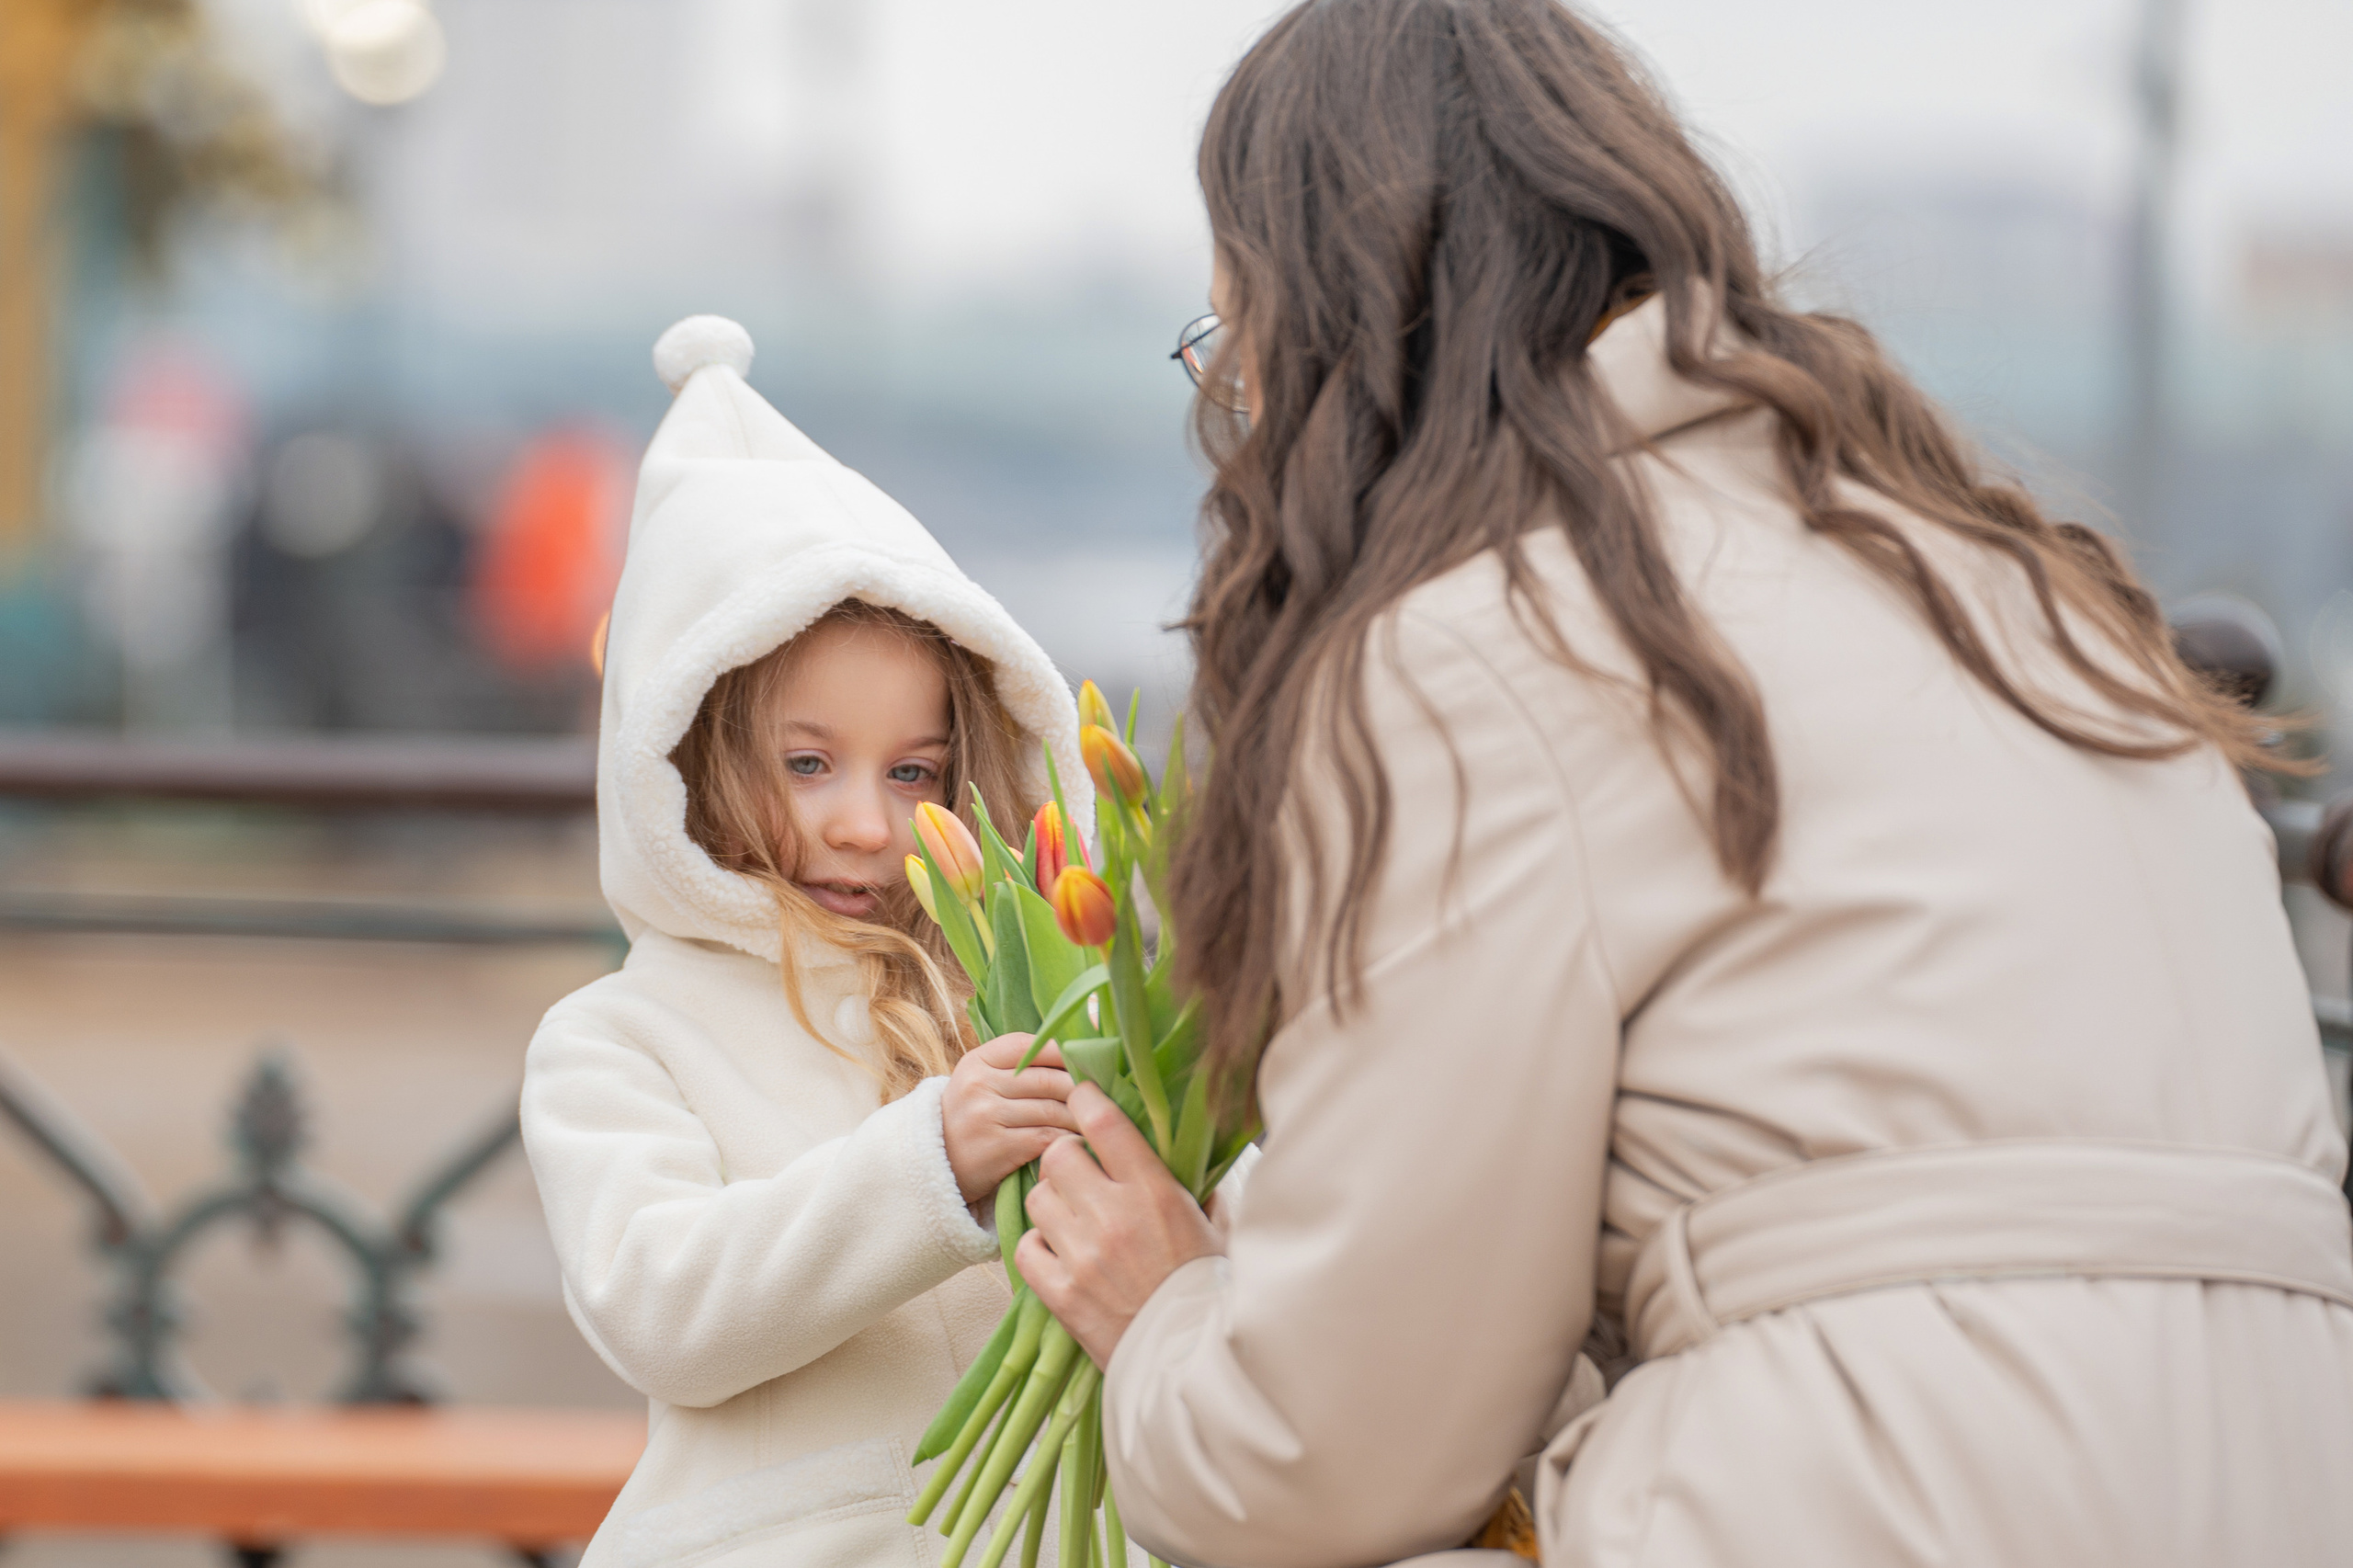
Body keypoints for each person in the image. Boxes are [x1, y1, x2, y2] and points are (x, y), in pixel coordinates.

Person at [1013, 3, 2353, 1565]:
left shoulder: (1486, 646)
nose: (1236, 411)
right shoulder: (2028, 602)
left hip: (1899, 1493)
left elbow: (1329, 1457)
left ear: (1334, 334)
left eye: (1235, 351)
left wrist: (1168, 1312)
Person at [520, 316, 1092, 1567]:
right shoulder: (614, 1039)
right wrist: (927, 1163)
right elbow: (664, 1307)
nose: (864, 822)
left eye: (916, 770)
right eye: (808, 762)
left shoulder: (1002, 991)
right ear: (688, 751)